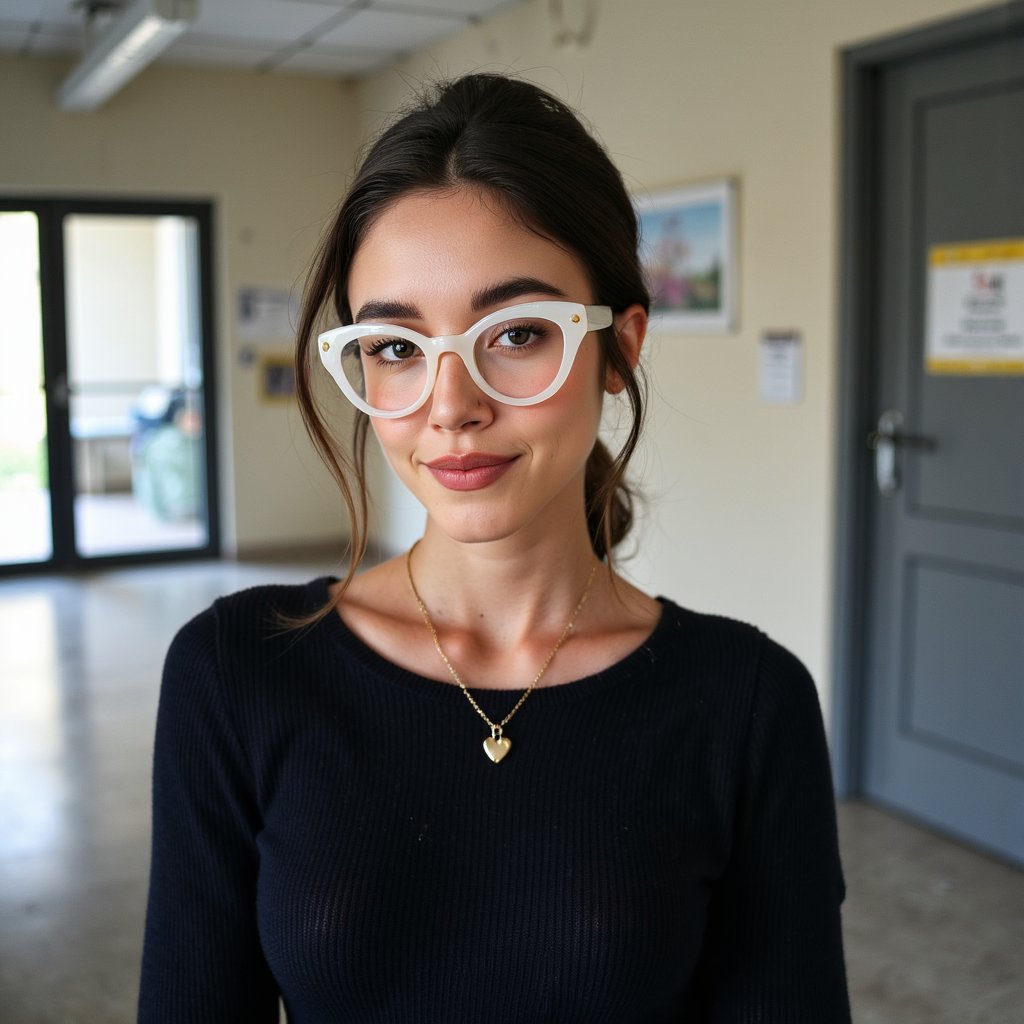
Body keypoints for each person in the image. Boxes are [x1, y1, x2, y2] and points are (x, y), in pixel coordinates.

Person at [138, 74, 850, 1023]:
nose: (452, 403)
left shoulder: (747, 705)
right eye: (396, 346)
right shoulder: (238, 674)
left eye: (515, 333)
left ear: (621, 349)